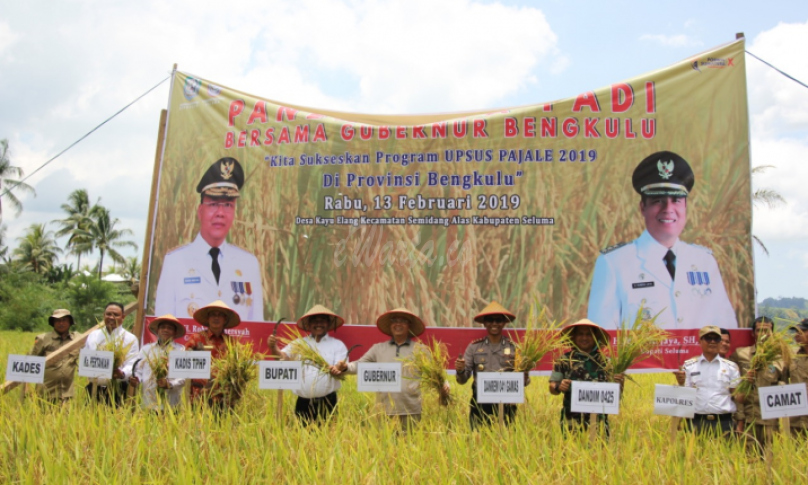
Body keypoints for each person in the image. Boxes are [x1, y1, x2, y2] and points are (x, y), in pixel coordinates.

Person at [587, 151, 738, 330]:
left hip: (700, 359)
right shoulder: (614, 263)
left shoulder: (704, 261)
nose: (668, 209)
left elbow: (727, 328)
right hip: (643, 359)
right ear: (643, 207)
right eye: (658, 201)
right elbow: (601, 336)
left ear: (685, 207)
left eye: (676, 201)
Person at [155, 157, 264, 321]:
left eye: (228, 205)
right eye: (213, 204)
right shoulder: (175, 262)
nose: (220, 213)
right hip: (191, 347)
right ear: (200, 211)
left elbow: (257, 326)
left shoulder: (248, 263)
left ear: (234, 212)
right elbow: (162, 324)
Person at [334, 308, 450, 431]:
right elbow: (359, 365)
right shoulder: (378, 349)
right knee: (384, 447)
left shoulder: (421, 350)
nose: (398, 324)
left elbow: (436, 375)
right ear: (390, 325)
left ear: (409, 325)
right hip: (384, 412)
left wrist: (444, 386)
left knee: (411, 446)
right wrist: (346, 367)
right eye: (394, 320)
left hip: (411, 411)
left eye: (403, 321)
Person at [268, 304, 347, 424]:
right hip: (303, 402)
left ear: (329, 324)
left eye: (322, 320)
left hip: (328, 401)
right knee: (302, 438)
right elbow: (282, 358)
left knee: (329, 437)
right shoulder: (299, 344)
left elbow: (340, 365)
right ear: (308, 325)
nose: (318, 324)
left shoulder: (337, 345)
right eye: (314, 321)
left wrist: (337, 368)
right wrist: (273, 347)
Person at [455, 301, 529, 429]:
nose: (494, 323)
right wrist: (460, 370)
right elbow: (462, 380)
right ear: (484, 323)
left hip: (507, 403)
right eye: (490, 320)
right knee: (478, 441)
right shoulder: (474, 347)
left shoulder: (514, 348)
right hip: (480, 403)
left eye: (498, 320)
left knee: (507, 441)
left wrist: (525, 371)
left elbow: (524, 382)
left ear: (504, 323)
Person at [549, 319, 624, 434]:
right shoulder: (564, 360)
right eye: (580, 334)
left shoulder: (607, 363)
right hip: (571, 420)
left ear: (596, 338)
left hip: (599, 421)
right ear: (573, 337)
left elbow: (615, 395)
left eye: (589, 334)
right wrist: (559, 386)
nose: (584, 338)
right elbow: (553, 386)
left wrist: (620, 383)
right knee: (571, 450)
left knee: (599, 451)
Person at [729, 316, 785, 453]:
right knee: (748, 461)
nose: (763, 334)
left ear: (773, 333)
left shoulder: (781, 357)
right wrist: (740, 421)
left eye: (767, 330)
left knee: (772, 462)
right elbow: (735, 390)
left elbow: (787, 388)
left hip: (772, 422)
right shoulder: (740, 354)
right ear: (753, 333)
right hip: (748, 420)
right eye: (759, 330)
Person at [673, 326, 740, 436]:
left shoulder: (731, 367)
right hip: (696, 422)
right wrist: (681, 383)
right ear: (700, 341)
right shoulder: (689, 366)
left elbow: (737, 396)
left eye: (716, 339)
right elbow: (683, 396)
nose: (712, 342)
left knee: (725, 453)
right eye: (708, 338)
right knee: (695, 453)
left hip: (724, 423)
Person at [184, 300, 241, 409]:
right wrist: (194, 353)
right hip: (199, 395)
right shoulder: (196, 338)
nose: (216, 318)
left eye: (220, 315)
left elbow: (238, 367)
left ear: (225, 320)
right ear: (208, 319)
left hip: (224, 397)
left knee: (223, 425)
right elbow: (185, 362)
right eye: (213, 315)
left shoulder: (232, 342)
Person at [84, 302, 140, 406]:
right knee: (89, 420)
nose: (111, 317)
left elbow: (132, 364)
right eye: (108, 314)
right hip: (94, 388)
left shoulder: (130, 339)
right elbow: (86, 358)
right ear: (103, 315)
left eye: (116, 315)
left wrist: (121, 373)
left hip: (118, 390)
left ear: (123, 317)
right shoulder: (93, 335)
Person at [129, 314, 187, 412]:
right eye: (163, 327)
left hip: (171, 404)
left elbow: (184, 377)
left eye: (169, 328)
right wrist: (136, 379)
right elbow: (138, 369)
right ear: (157, 331)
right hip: (148, 402)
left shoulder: (181, 351)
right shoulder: (146, 349)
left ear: (175, 332)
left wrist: (169, 384)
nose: (166, 330)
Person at [30, 309, 80, 404]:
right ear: (53, 322)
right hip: (45, 394)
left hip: (66, 395)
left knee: (66, 418)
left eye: (64, 320)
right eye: (57, 320)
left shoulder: (77, 339)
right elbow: (30, 363)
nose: (61, 323)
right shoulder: (43, 339)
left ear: (70, 322)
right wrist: (26, 387)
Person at [789, 319, 808, 438]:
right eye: (795, 332)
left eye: (801, 331)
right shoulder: (791, 357)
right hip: (797, 423)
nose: (797, 335)